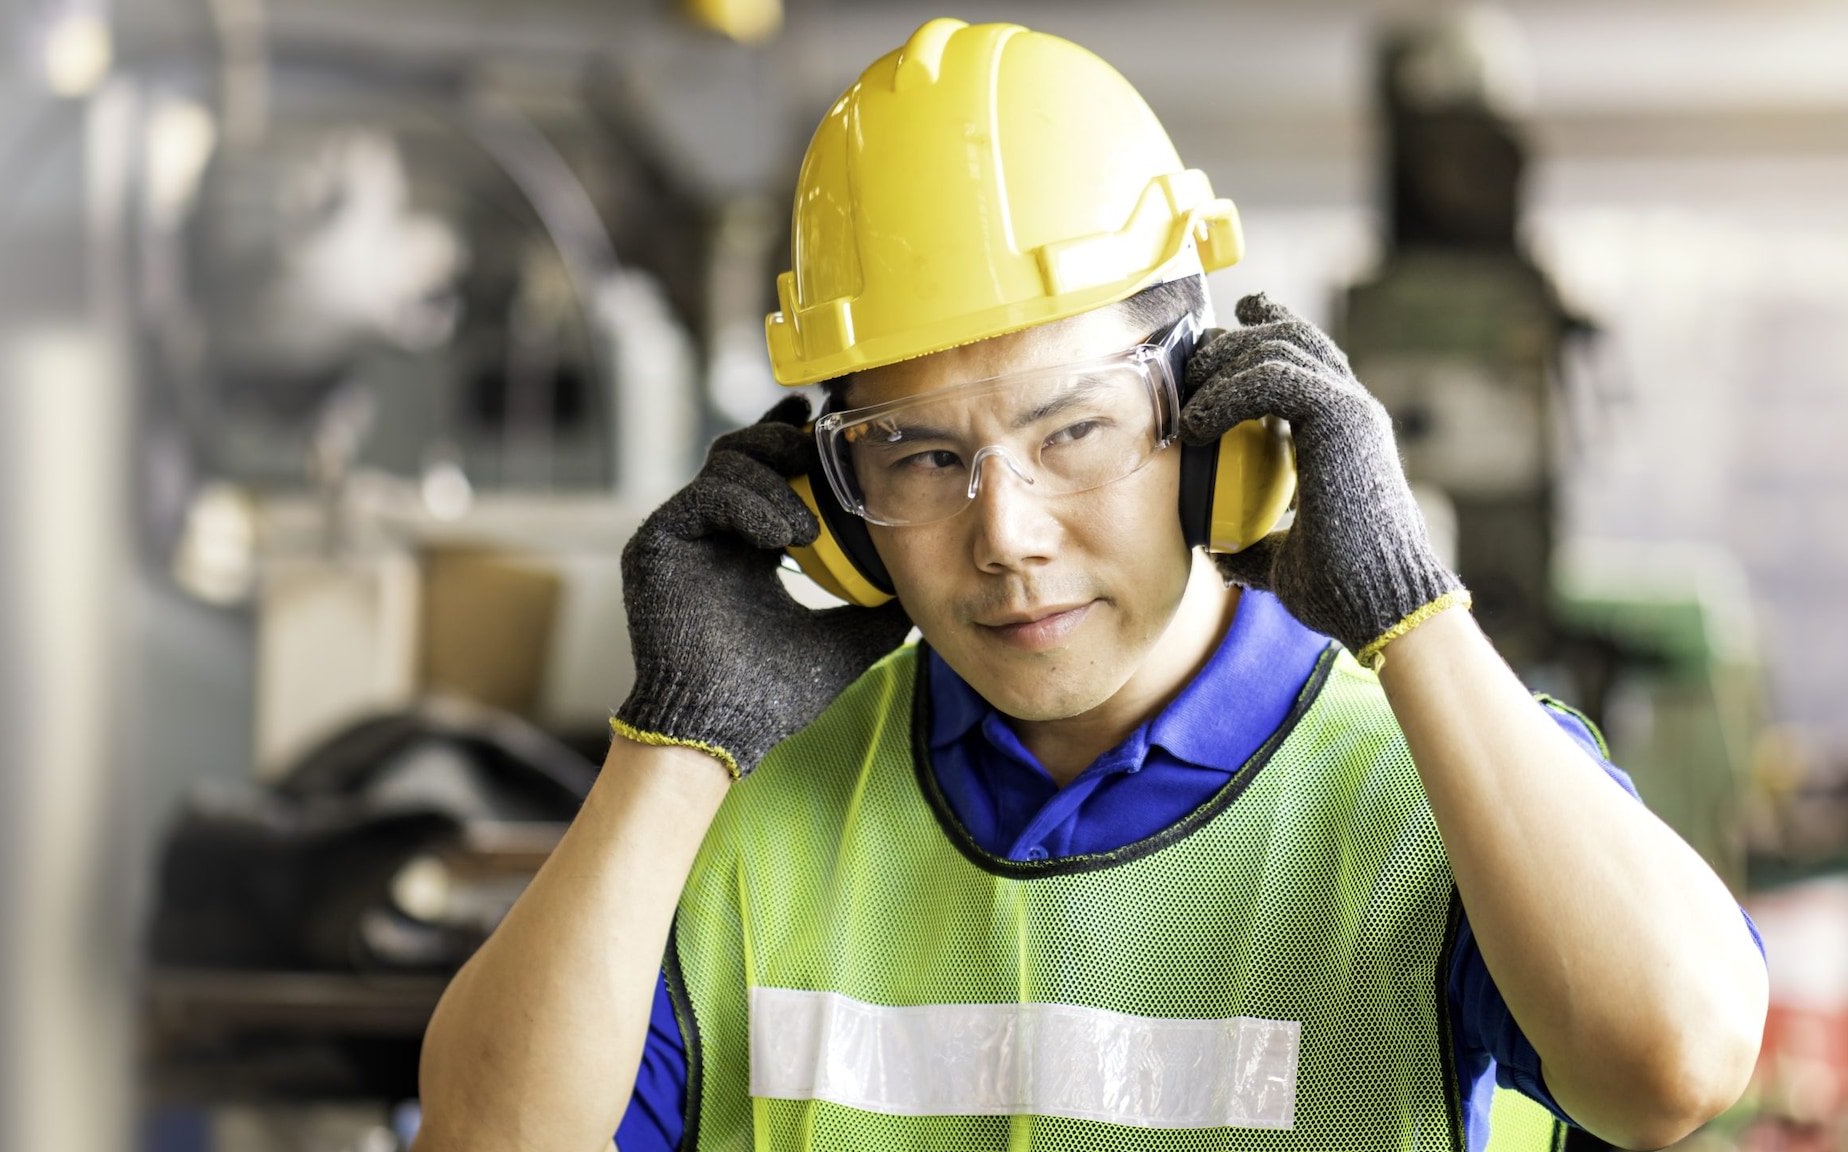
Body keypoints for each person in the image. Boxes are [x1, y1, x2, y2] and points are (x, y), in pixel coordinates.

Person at [416, 18, 1766, 1152]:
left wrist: (1412, 614)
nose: (1004, 532)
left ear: (1215, 425)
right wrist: (671, 748)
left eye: (1073, 433)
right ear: (829, 498)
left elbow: (1672, 1068)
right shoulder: (740, 828)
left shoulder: (1443, 786)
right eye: (922, 455)